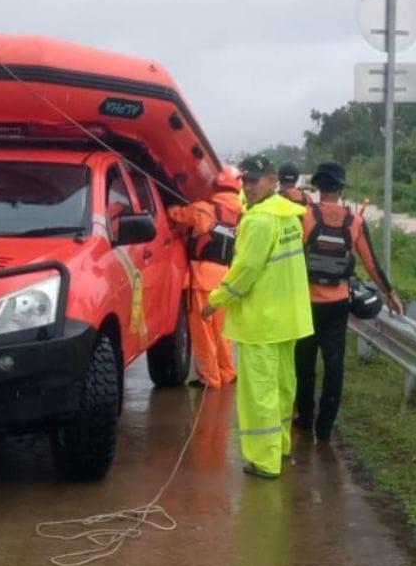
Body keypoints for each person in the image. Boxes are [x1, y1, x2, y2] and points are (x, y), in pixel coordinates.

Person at [203, 155, 312, 478]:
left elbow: (245, 271)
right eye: (245, 181)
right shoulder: (288, 214)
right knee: (281, 388)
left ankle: (264, 461)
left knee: (259, 394)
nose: (249, 186)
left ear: (272, 178)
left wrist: (214, 300)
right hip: (288, 319)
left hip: (262, 322)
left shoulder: (258, 221)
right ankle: (279, 448)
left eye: (255, 180)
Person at [294, 161, 403, 440]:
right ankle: (325, 428)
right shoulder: (354, 221)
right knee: (334, 367)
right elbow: (371, 263)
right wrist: (389, 293)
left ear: (318, 186)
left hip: (306, 303)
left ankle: (304, 418)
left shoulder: (303, 216)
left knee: (304, 365)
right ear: (341, 188)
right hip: (338, 304)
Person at [167, 166, 244, 388]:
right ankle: (227, 372)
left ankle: (210, 378)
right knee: (222, 330)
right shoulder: (241, 215)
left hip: (202, 279)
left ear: (217, 185)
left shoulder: (203, 209)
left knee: (202, 331)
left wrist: (171, 204)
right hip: (226, 279)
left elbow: (176, 214)